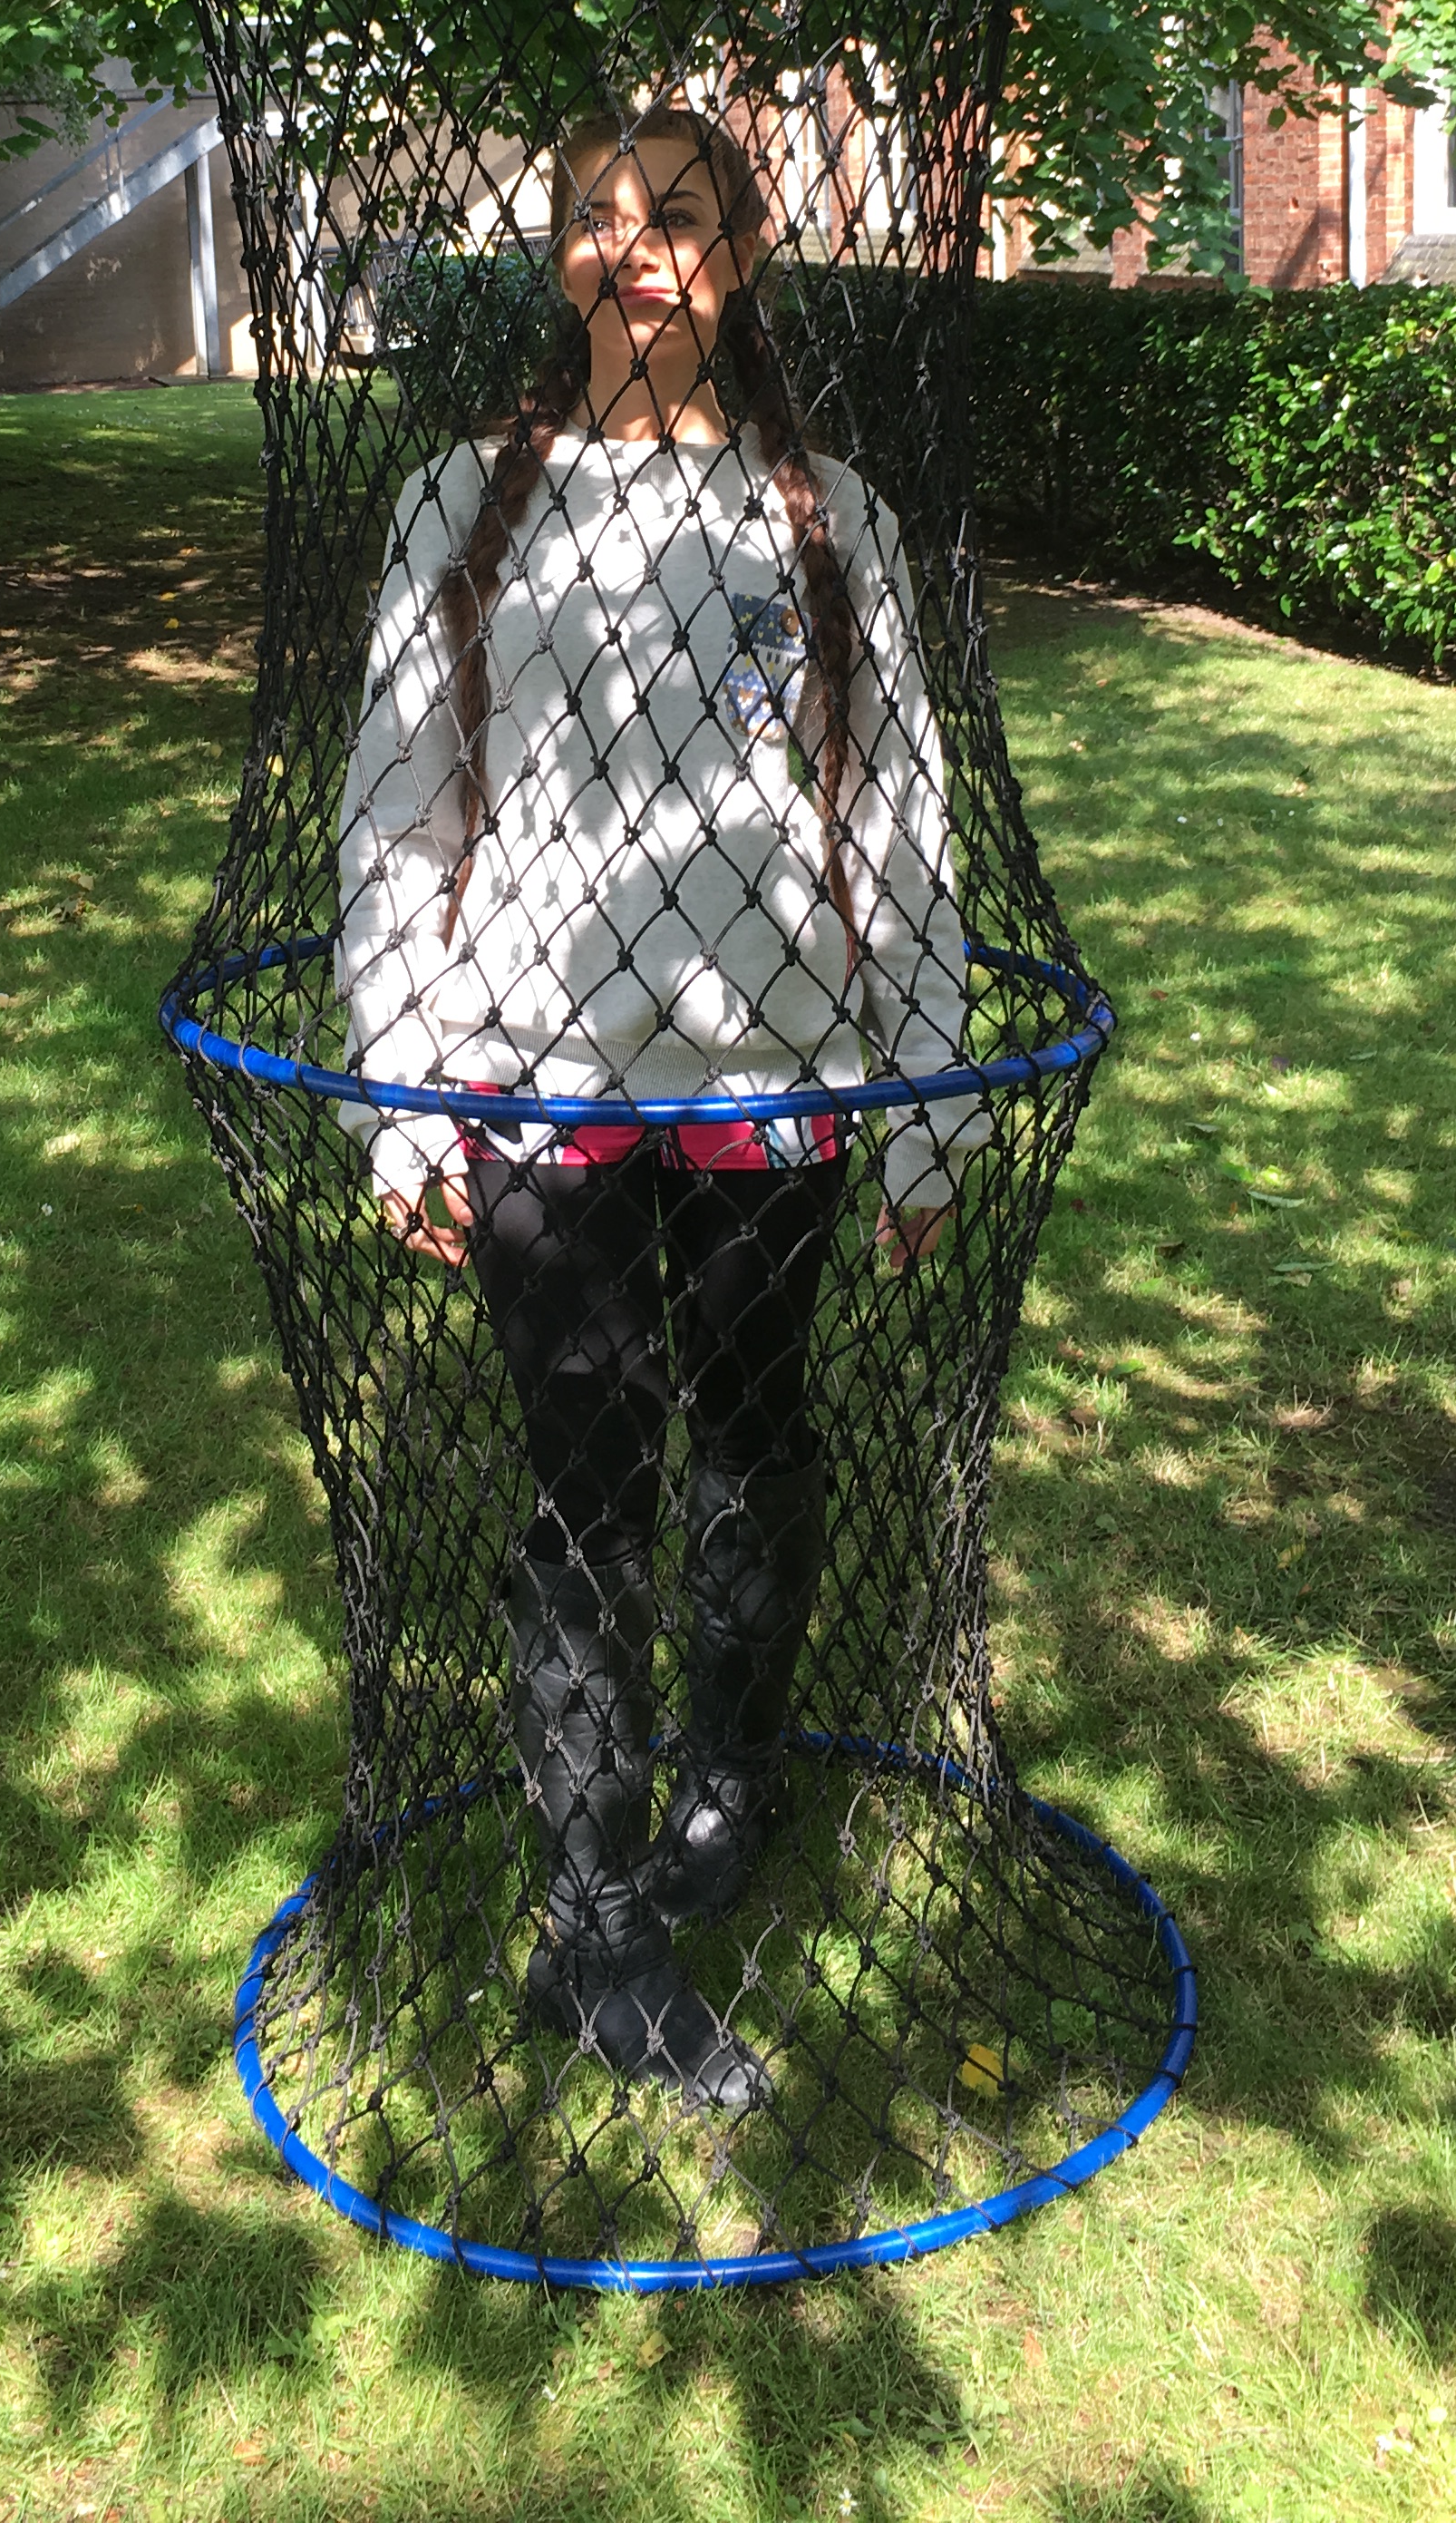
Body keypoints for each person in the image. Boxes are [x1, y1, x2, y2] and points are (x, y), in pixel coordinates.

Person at [335, 102, 976, 2116]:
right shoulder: (462, 503)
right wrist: (403, 1101)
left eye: (679, 216)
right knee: (587, 1479)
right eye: (599, 219)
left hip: (774, 1071)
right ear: (558, 260)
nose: (635, 249)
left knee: (759, 1437)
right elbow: (397, 812)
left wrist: (930, 1105)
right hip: (542, 1072)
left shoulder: (828, 515)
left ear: (747, 252)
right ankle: (597, 1926)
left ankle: (732, 1781)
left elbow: (898, 813)